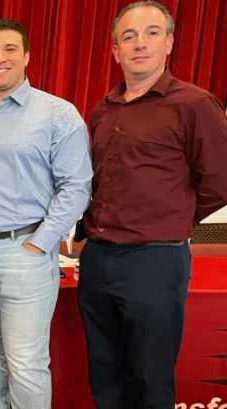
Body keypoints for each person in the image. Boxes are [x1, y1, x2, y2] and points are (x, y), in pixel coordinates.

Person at [78, 2, 227, 408]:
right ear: (115, 51)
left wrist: (170, 218)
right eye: (128, 36)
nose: (139, 44)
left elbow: (219, 183)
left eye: (151, 33)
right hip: (98, 259)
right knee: (104, 375)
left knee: (149, 378)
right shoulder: (103, 109)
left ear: (170, 43)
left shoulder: (195, 105)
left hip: (155, 261)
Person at [0, 19, 92, 409]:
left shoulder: (57, 114)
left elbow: (77, 186)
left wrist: (40, 243)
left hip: (25, 251)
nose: (0, 58)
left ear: (26, 56)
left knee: (25, 363)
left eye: (10, 49)